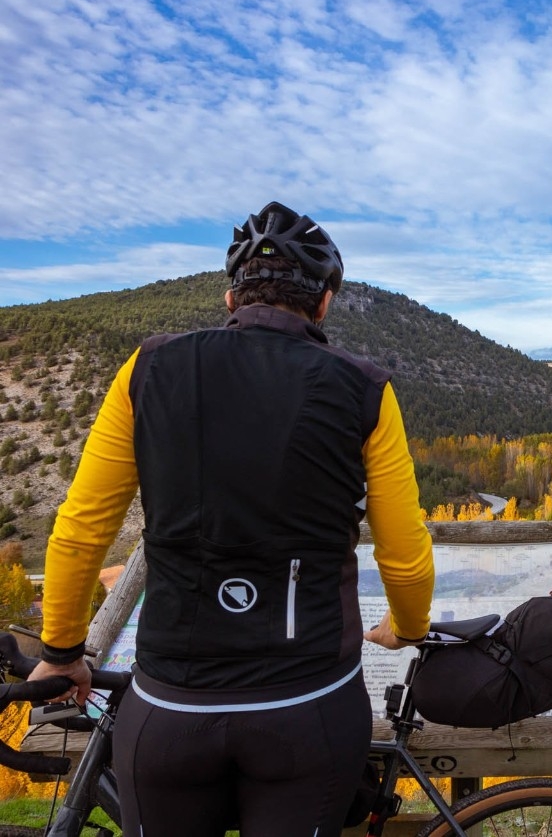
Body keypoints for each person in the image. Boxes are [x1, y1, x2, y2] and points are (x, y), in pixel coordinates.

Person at [28, 201, 435, 837]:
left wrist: (60, 652)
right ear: (324, 303)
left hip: (171, 705)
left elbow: (81, 529)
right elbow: (405, 553)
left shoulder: (147, 367)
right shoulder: (365, 388)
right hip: (308, 704)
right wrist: (407, 627)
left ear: (229, 298)